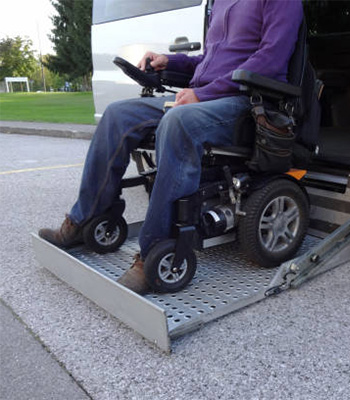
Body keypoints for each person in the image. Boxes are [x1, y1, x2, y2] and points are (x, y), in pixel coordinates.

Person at [39, 0, 303, 294]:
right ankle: (86, 216)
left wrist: (204, 94)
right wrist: (170, 61)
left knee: (179, 121)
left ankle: (154, 249)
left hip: (247, 103)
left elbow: (271, 60)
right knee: (117, 114)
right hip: (209, 96)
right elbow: (209, 61)